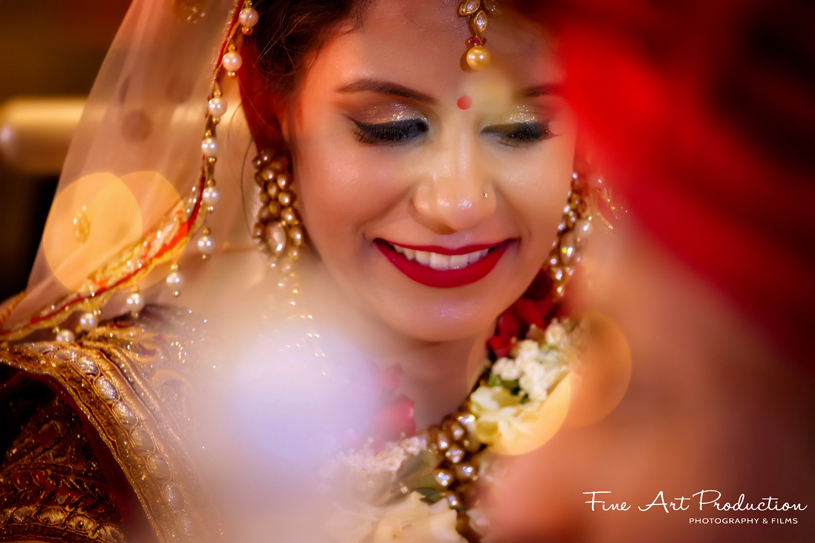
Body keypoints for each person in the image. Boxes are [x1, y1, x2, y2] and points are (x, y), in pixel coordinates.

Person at [0, 1, 623, 541]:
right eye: (392, 128)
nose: (458, 203)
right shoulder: (123, 437)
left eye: (521, 129)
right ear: (275, 115)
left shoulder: (659, 394)